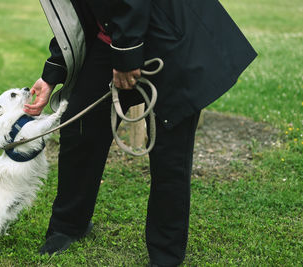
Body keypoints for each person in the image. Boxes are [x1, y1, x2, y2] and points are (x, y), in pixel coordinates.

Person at [23, 0, 257, 266]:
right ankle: (68, 225)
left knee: (170, 152)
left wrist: (126, 55)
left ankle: (165, 255)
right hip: (115, 36)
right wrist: (54, 71)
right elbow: (79, 13)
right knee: (82, 123)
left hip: (173, 35)